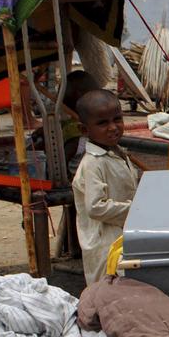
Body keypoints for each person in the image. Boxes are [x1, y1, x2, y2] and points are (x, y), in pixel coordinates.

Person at [72, 89, 140, 286]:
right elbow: (96, 207)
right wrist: (135, 209)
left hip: (121, 235)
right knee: (109, 288)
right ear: (84, 130)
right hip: (104, 242)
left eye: (117, 119)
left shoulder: (118, 153)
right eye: (102, 123)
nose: (113, 127)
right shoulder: (93, 163)